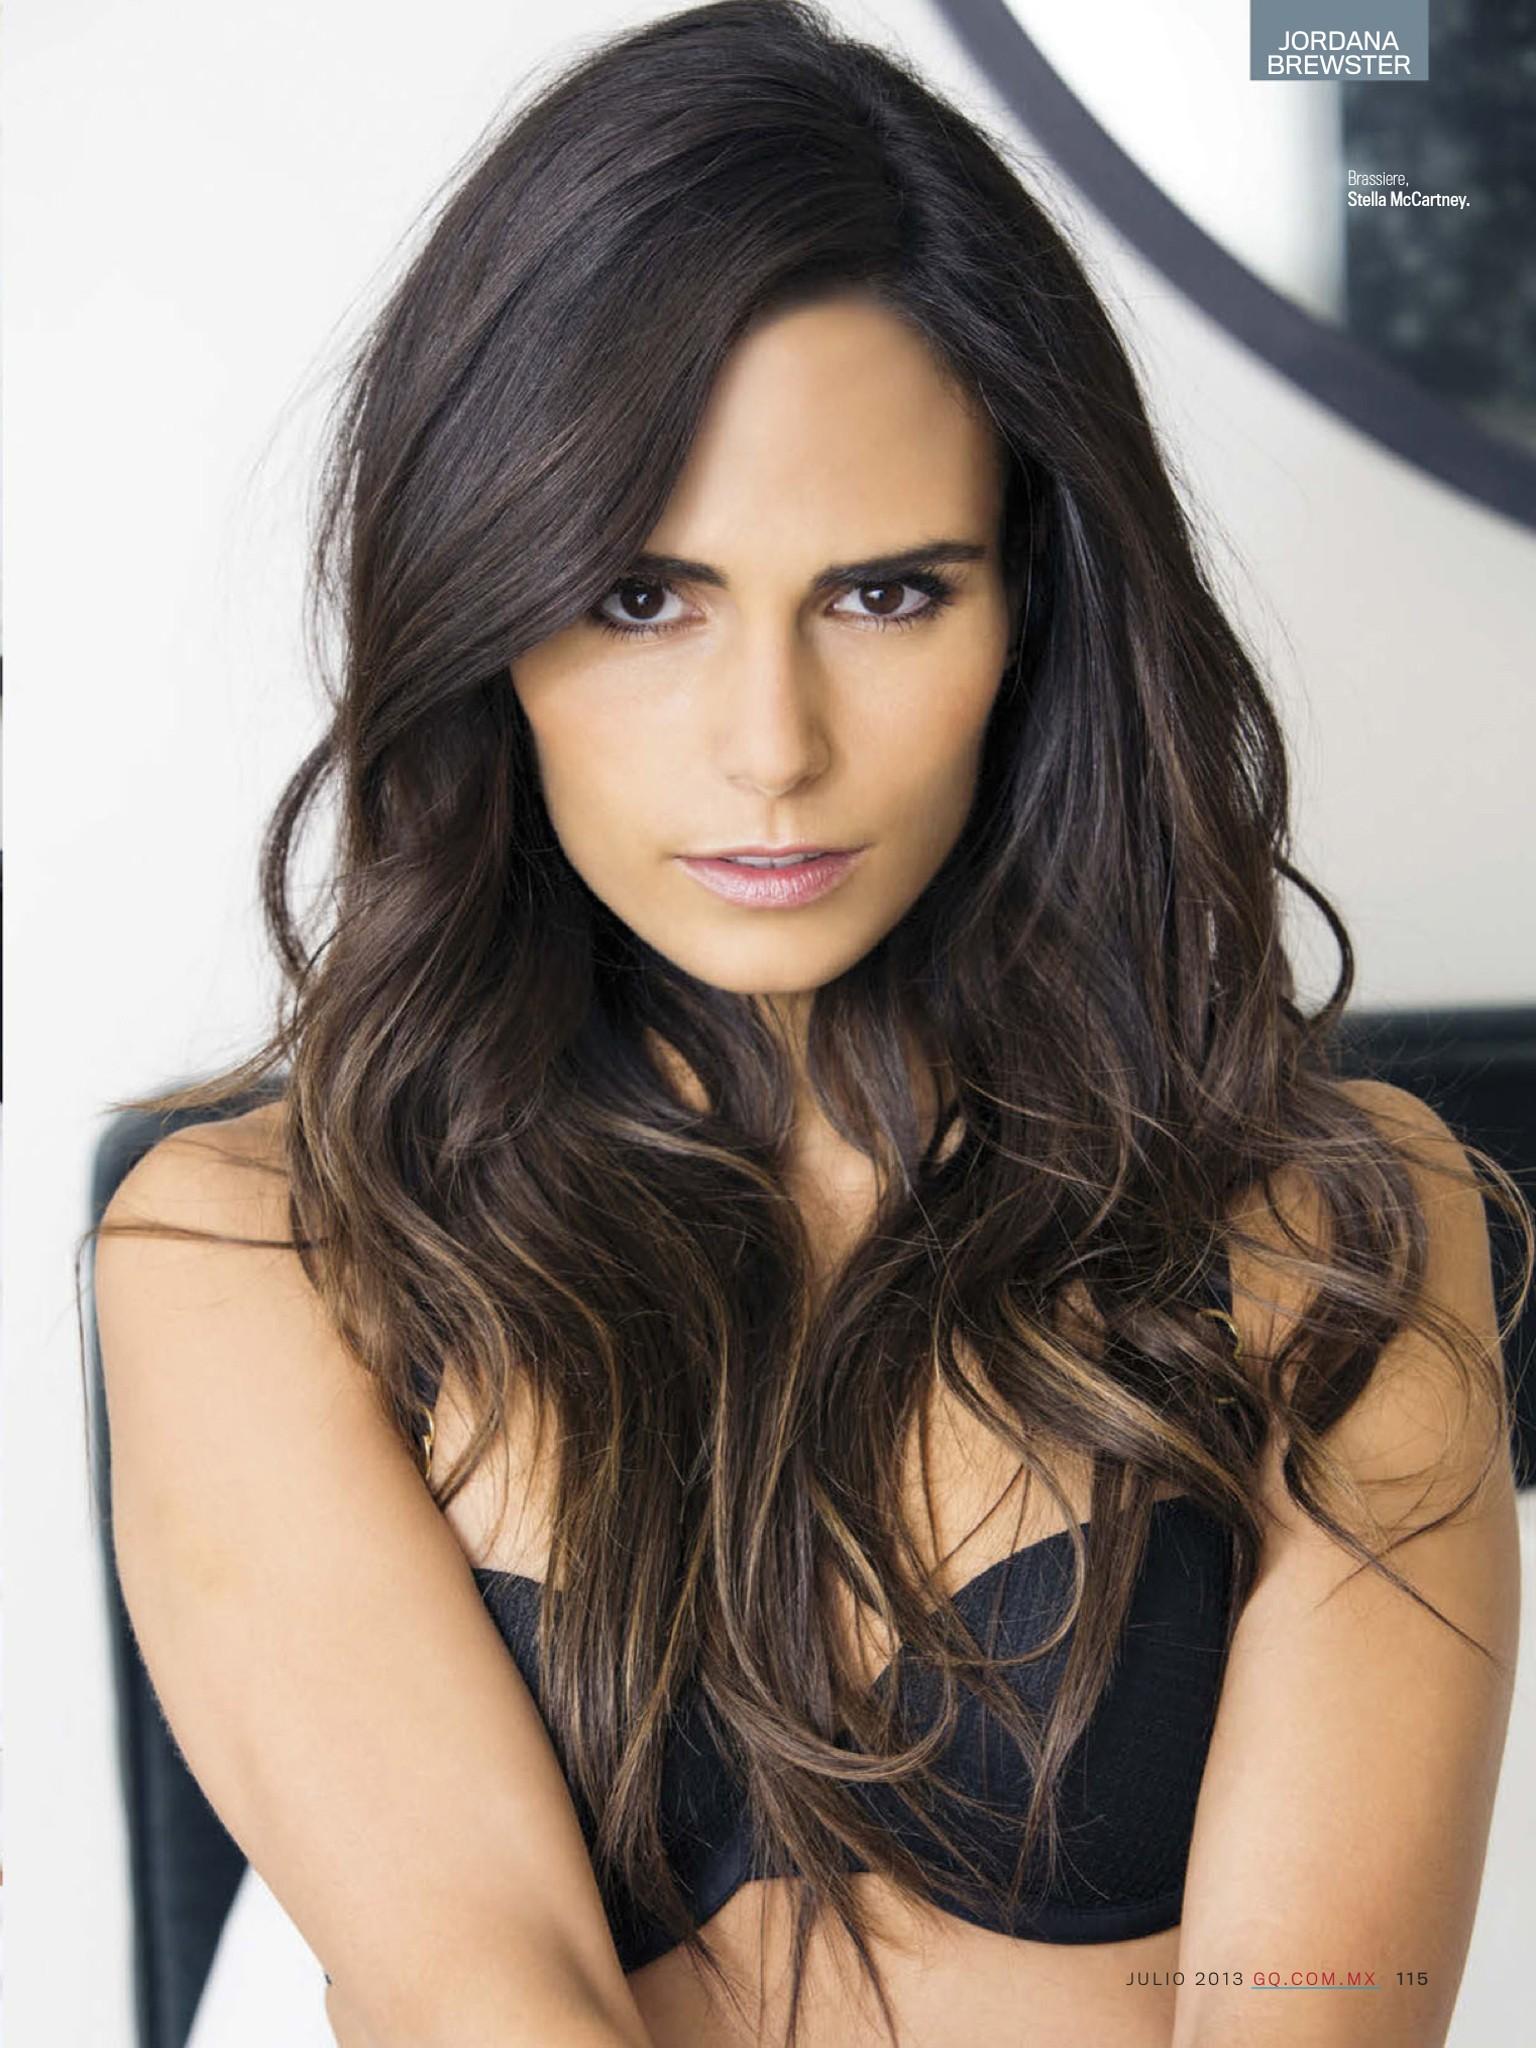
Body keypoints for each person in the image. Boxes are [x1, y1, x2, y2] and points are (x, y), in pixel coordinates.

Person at [88, 5, 1526, 2046]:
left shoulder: (1339, 1233)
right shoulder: (254, 1257)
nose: (772, 748)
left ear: (1034, 608)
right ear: (486, 615)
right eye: (641, 598)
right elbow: (476, 1993)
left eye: (885, 594)